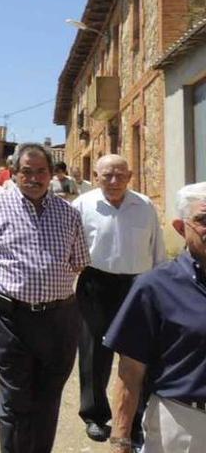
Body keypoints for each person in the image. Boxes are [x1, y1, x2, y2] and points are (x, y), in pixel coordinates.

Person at [0, 143, 90, 453]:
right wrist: (12, 285)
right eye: (27, 171)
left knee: (48, 398)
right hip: (11, 320)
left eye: (41, 172)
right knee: (15, 397)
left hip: (59, 320)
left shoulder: (69, 213)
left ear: (50, 174)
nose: (34, 178)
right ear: (15, 173)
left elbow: (79, 262)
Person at [103, 182, 206, 453]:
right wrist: (121, 439)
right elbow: (130, 372)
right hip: (185, 424)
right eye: (203, 220)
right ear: (180, 227)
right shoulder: (155, 286)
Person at [71, 154, 166, 444]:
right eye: (107, 175)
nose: (114, 181)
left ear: (130, 176)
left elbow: (157, 251)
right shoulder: (81, 206)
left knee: (137, 355)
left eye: (120, 175)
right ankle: (95, 415)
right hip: (94, 284)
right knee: (93, 353)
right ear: (96, 177)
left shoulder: (145, 206)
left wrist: (160, 286)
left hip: (138, 286)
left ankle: (134, 419)